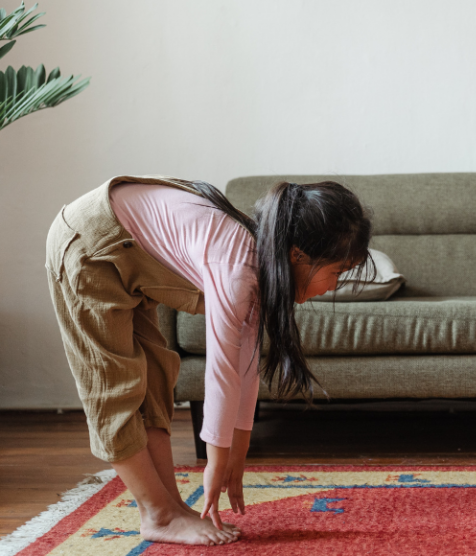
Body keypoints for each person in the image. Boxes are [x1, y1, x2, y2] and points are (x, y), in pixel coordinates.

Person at [45, 176, 373, 546]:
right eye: (337, 272)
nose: (333, 286)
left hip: (123, 246)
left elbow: (244, 366)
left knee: (153, 378)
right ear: (299, 255)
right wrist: (216, 462)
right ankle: (160, 514)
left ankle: (171, 508)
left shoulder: (260, 266)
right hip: (90, 243)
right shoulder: (238, 269)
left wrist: (239, 449)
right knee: (113, 388)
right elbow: (221, 372)